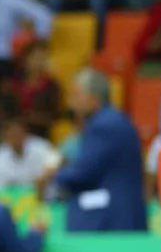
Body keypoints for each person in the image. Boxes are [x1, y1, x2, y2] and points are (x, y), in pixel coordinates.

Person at [52, 68, 147, 232]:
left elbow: (83, 173)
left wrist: (55, 175)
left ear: (93, 98)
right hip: (123, 213)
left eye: (76, 95)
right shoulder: (115, 119)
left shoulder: (103, 126)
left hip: (110, 220)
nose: (72, 103)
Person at [0, 116, 61, 190]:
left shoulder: (41, 145)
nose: (16, 137)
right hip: (14, 195)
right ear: (5, 137)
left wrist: (46, 175)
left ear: (25, 133)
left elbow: (56, 161)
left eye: (18, 133)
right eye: (12, 134)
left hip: (46, 192)